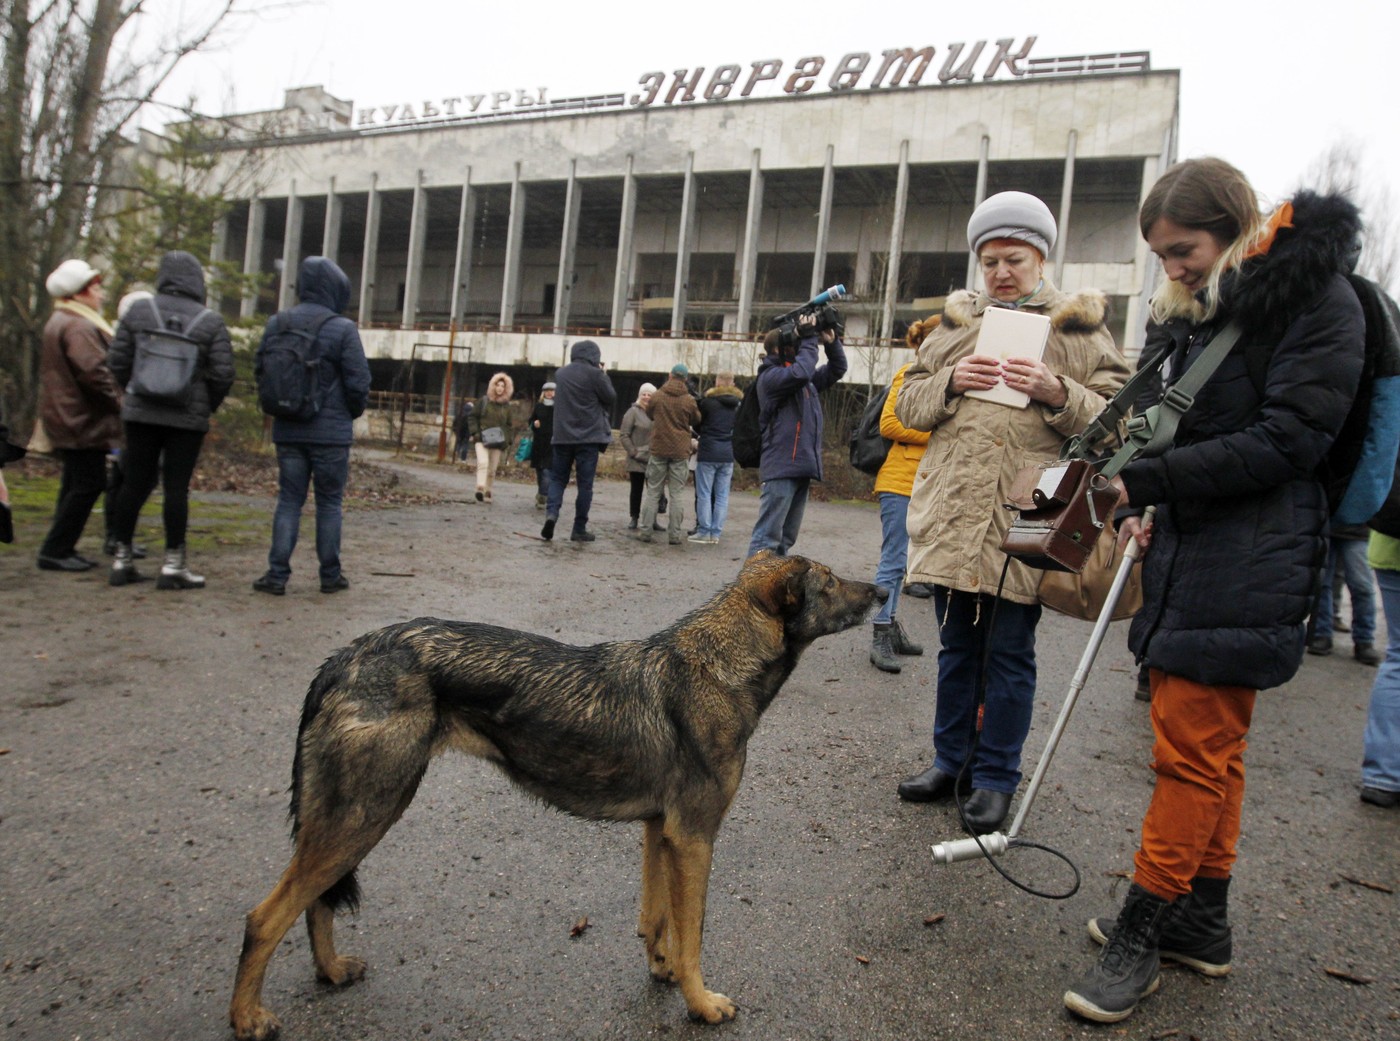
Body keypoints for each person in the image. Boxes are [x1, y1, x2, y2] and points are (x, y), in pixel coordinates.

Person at [1061, 158, 1366, 1024]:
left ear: (1235, 228)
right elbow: (1187, 426)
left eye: (1184, 249)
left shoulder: (1315, 301)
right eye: (1160, 255)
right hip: (1204, 549)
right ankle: (1203, 921)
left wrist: (1146, 486)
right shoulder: (1208, 314)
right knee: (1211, 747)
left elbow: (1289, 441)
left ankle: (1144, 930)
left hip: (1255, 557)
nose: (1174, 269)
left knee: (1190, 751)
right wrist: (1151, 497)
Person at [893, 191, 1128, 837]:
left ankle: (995, 777)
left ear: (1041, 258)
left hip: (1033, 507)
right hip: (954, 506)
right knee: (956, 648)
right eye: (990, 259)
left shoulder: (1078, 331)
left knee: (1010, 652)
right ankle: (950, 761)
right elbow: (907, 405)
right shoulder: (953, 325)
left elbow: (1121, 423)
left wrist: (1059, 392)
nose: (1001, 271)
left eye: (1014, 259)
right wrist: (950, 381)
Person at [105, 250, 234, 588]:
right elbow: (223, 374)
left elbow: (117, 361)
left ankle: (121, 560)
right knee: (177, 489)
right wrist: (205, 405)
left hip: (141, 414)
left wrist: (134, 392)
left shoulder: (139, 310)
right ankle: (173, 565)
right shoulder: (209, 320)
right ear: (197, 281)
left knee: (133, 484)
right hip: (186, 420)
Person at [251, 256, 370, 596]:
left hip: (288, 429)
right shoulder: (342, 328)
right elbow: (358, 381)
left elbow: (261, 370)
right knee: (329, 503)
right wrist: (348, 414)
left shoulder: (278, 323)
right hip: (330, 435)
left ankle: (276, 576)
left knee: (289, 500)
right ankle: (330, 576)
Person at [35, 258, 124, 572]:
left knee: (73, 483)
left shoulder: (60, 320)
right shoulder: (79, 325)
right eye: (96, 288)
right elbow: (94, 373)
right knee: (89, 483)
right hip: (81, 420)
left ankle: (60, 546)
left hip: (65, 416)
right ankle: (56, 548)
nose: (101, 295)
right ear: (79, 293)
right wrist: (122, 405)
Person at [745, 310, 848, 557]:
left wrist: (831, 342)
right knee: (767, 538)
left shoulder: (802, 380)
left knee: (785, 539)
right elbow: (802, 371)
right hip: (781, 465)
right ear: (780, 349)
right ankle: (750, 592)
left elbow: (837, 369)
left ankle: (772, 590)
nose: (801, 345)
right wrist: (810, 339)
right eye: (796, 343)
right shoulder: (771, 378)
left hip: (800, 465)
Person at [867, 353, 931, 673]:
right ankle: (880, 635)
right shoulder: (910, 373)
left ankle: (891, 627)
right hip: (900, 482)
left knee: (906, 564)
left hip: (929, 484)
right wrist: (939, 435)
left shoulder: (954, 382)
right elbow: (889, 423)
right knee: (893, 560)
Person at [542, 340, 615, 543]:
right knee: (585, 485)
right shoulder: (596, 375)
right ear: (595, 355)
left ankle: (551, 515)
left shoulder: (560, 374)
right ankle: (579, 528)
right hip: (588, 438)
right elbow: (610, 397)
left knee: (558, 479)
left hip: (562, 437)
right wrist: (604, 374)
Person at [639, 364, 700, 545]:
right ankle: (674, 535)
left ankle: (645, 532)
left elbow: (649, 414)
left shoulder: (657, 396)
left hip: (658, 449)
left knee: (653, 492)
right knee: (677, 494)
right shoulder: (688, 400)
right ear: (685, 379)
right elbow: (696, 419)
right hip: (680, 451)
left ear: (670, 375)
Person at [1306, 525, 1378, 664]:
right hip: (1326, 527)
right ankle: (1321, 634)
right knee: (1321, 584)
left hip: (1359, 530)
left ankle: (1364, 640)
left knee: (1362, 587)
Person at [691, 371, 742, 545]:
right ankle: (716, 533)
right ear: (732, 384)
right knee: (722, 496)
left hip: (708, 451)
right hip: (727, 453)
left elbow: (697, 424)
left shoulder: (707, 403)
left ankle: (704, 531)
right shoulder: (737, 405)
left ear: (717, 383)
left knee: (704, 493)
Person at [471, 371, 517, 503]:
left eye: (503, 386)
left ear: (506, 389)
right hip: (482, 438)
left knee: (492, 470)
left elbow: (509, 425)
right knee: (483, 463)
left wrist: (507, 440)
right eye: (498, 385)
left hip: (498, 441)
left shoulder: (506, 407)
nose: (500, 388)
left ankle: (488, 490)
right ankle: (480, 487)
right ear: (493, 386)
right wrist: (475, 433)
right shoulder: (484, 401)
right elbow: (473, 417)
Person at [619, 383, 657, 530]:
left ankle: (652, 519)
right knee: (636, 490)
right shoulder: (632, 412)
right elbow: (624, 434)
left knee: (654, 491)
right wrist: (632, 451)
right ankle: (634, 517)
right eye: (644, 394)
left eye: (649, 394)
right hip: (636, 458)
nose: (646, 397)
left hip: (654, 458)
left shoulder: (658, 412)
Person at [527, 382, 556, 508]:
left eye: (552, 391)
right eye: (547, 390)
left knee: (547, 471)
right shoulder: (538, 406)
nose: (549, 393)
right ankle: (541, 493)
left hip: (552, 443)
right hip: (539, 443)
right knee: (540, 471)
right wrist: (535, 423)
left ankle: (543, 497)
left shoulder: (560, 407)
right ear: (543, 392)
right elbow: (531, 421)